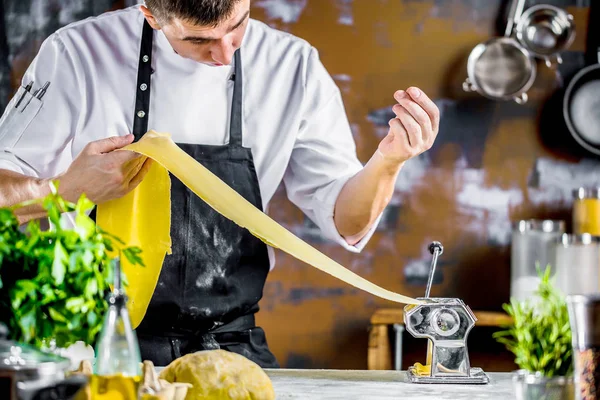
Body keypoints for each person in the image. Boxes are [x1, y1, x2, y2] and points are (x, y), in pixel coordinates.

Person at [0, 0, 440, 367]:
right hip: (100, 349)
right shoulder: (77, 54)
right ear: (150, 14)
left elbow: (347, 220)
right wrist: (65, 190)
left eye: (237, 26)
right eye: (199, 40)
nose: (225, 54)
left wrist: (388, 160)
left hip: (232, 349)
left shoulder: (292, 66)